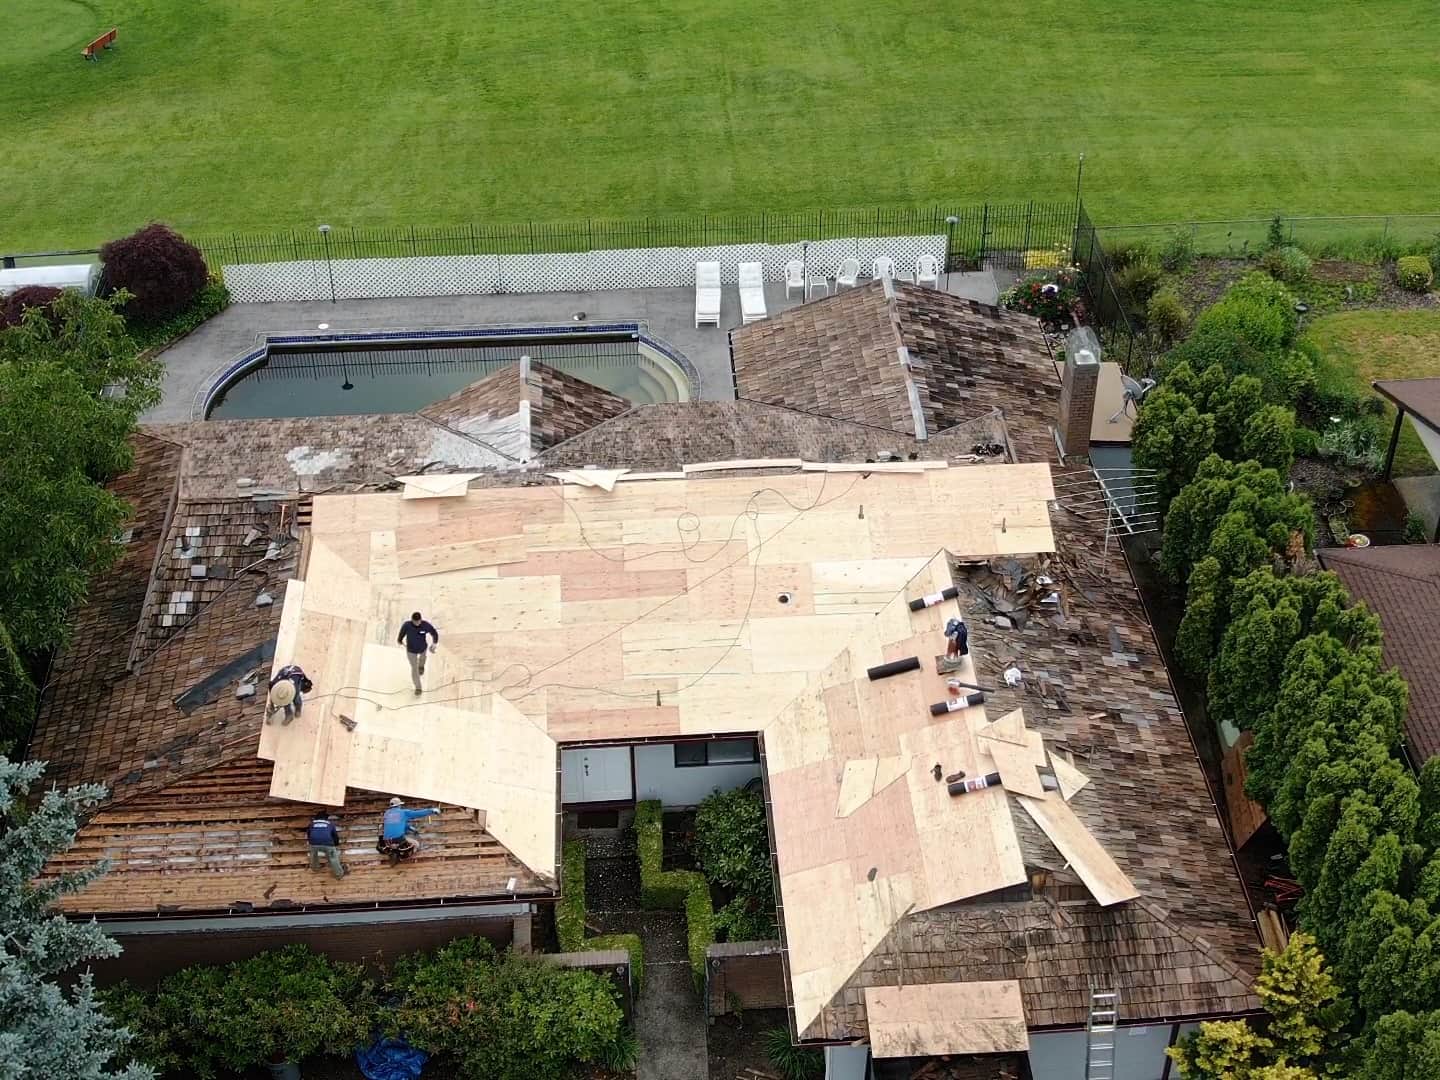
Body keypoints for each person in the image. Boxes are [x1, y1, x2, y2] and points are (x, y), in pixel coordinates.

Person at [396, 612, 439, 694]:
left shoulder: (425, 625)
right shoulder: (407, 625)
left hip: (422, 648)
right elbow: (401, 634)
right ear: (412, 620)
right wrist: (399, 640)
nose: (416, 623)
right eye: (415, 622)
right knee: (414, 669)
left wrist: (434, 643)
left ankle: (421, 666)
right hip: (411, 651)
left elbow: (434, 633)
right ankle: (418, 688)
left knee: (423, 659)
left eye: (418, 621)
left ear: (421, 620)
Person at [307, 814, 346, 879]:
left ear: (316, 818)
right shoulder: (330, 824)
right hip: (328, 844)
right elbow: (335, 836)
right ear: (326, 819)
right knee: (333, 858)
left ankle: (315, 868)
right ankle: (339, 874)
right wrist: (336, 844)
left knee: (313, 856)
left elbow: (309, 834)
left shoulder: (311, 824)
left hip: (314, 844)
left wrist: (311, 842)